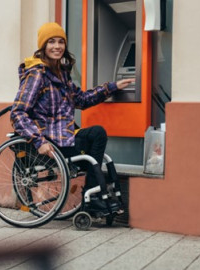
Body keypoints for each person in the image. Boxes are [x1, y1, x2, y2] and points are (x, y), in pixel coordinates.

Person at [10, 22, 134, 211]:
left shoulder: (62, 75)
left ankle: (93, 197)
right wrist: (38, 141)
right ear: (43, 46)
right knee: (94, 141)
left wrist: (112, 87)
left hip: (64, 137)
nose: (57, 46)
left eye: (61, 42)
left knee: (97, 134)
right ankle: (93, 198)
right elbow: (17, 112)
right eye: (51, 42)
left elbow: (82, 100)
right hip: (50, 143)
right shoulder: (37, 74)